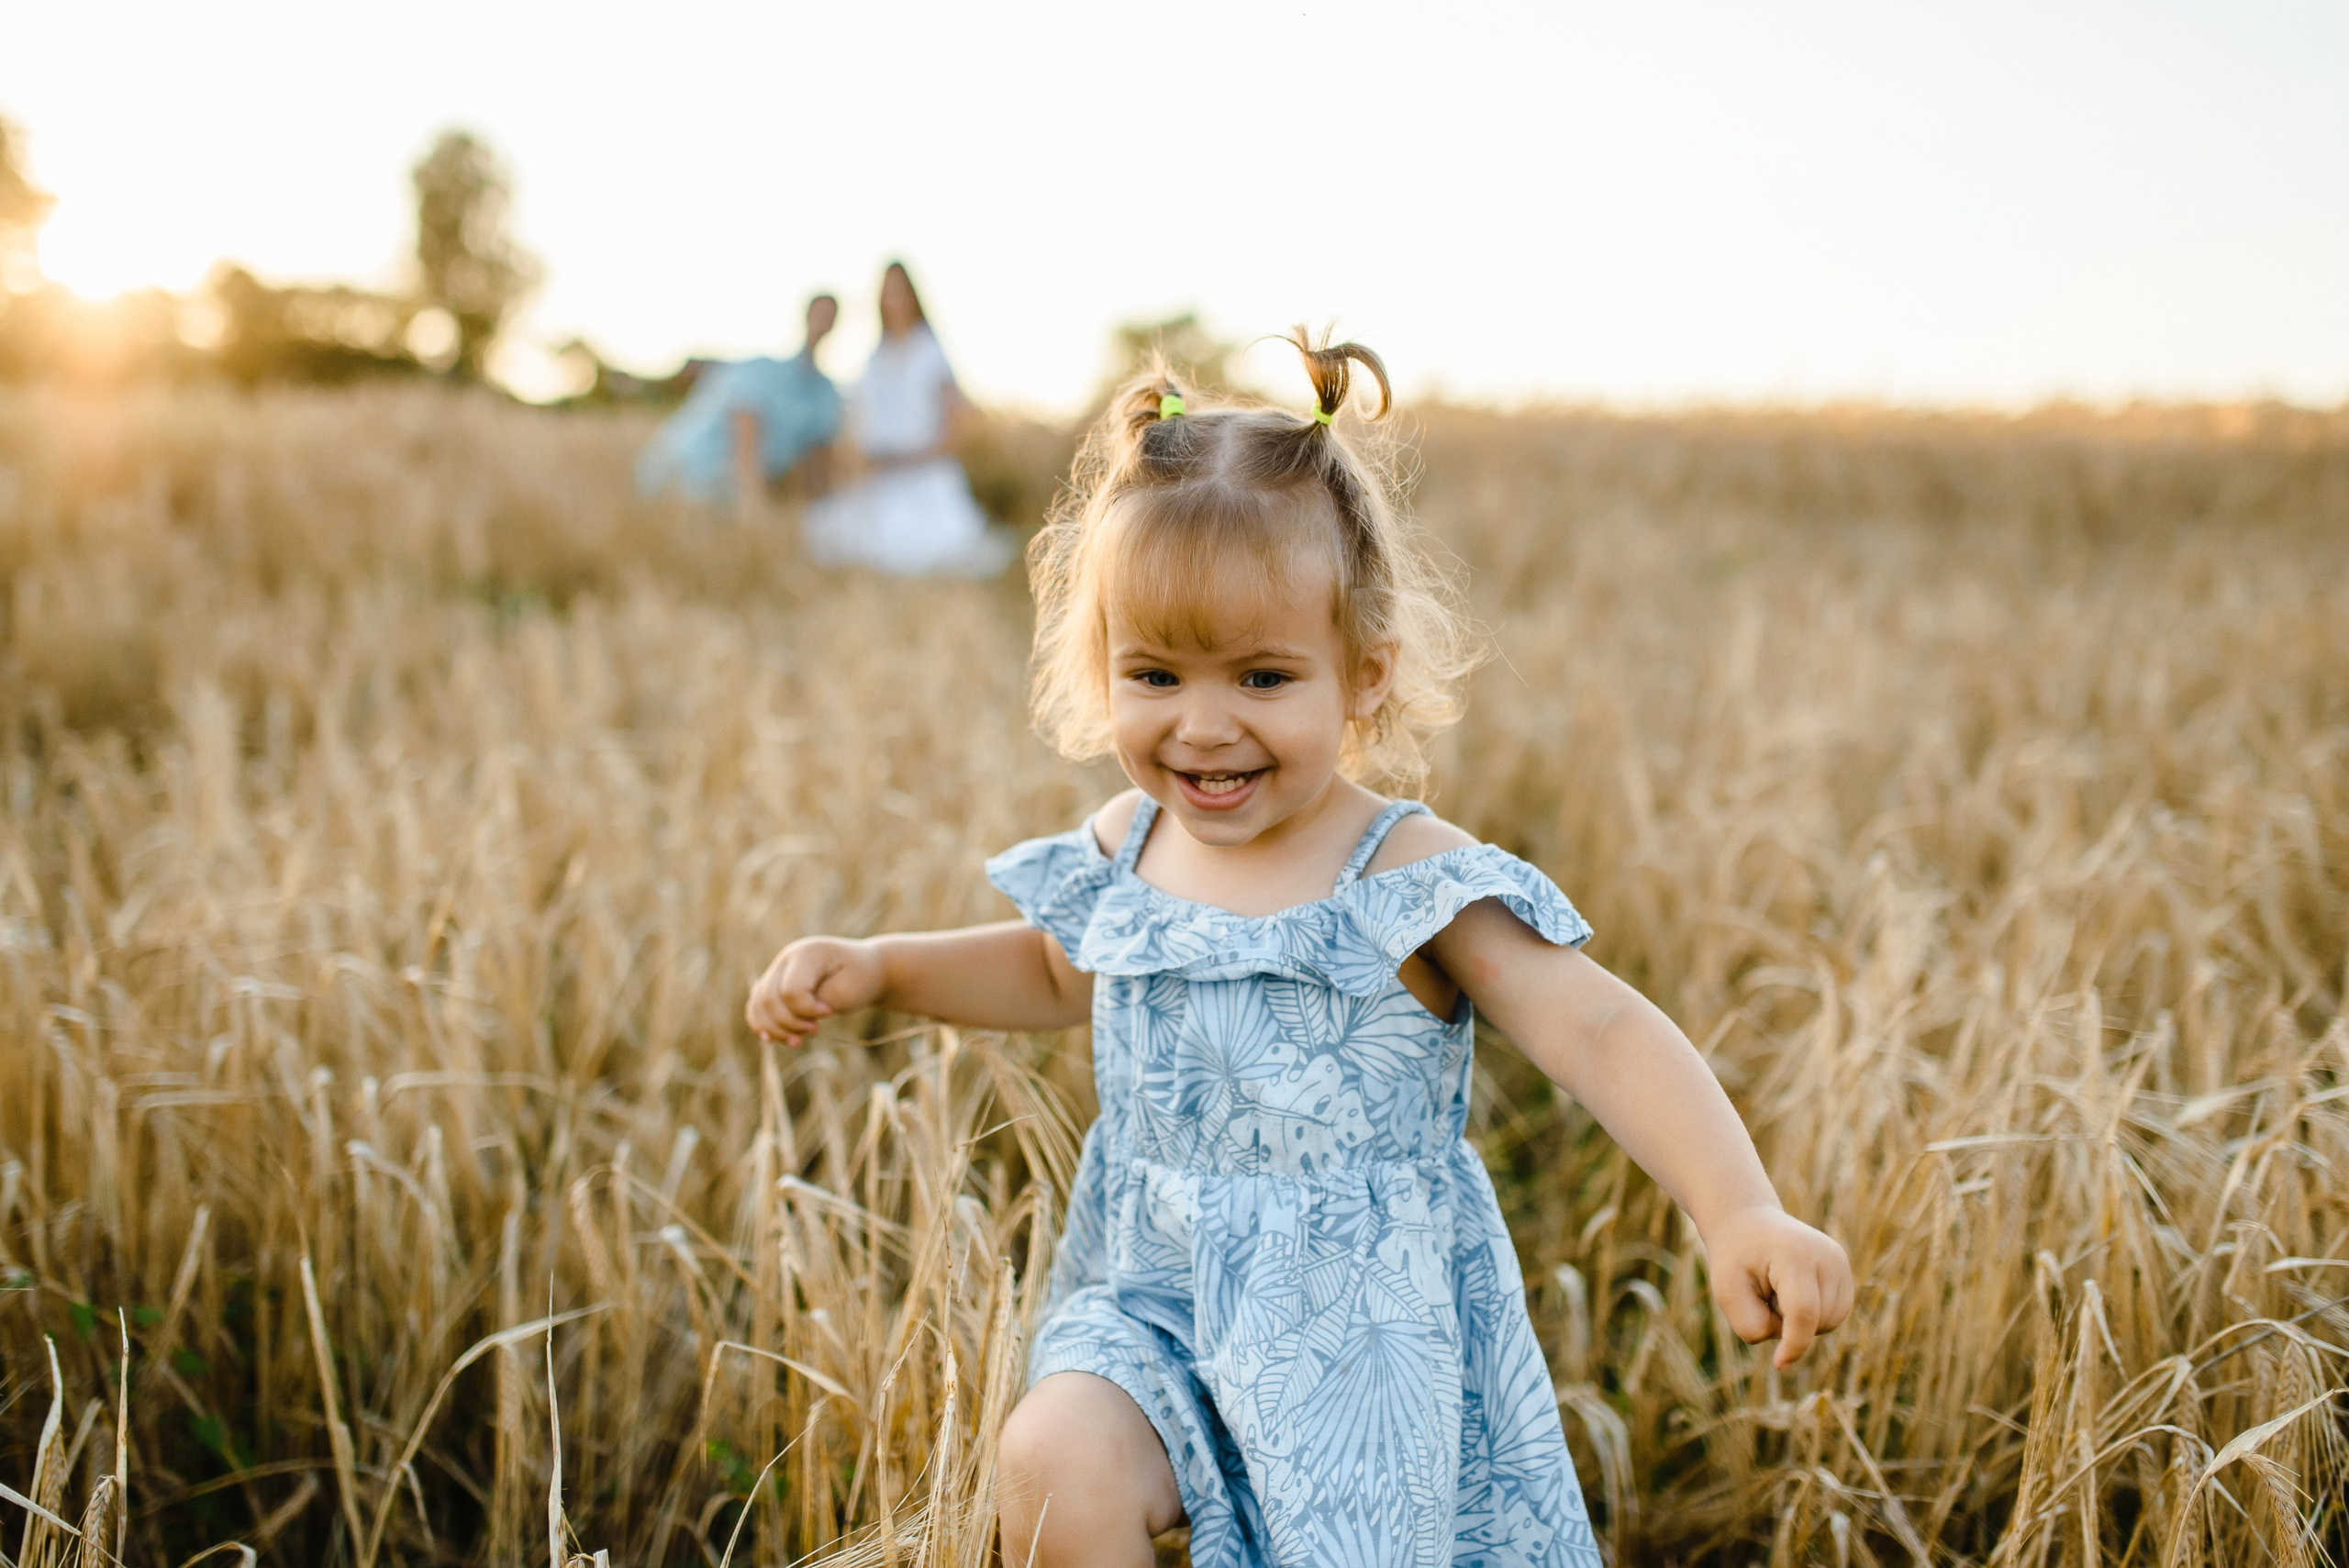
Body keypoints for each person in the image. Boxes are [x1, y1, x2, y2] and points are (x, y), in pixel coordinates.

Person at [745, 333, 1854, 1568]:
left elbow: (1596, 1028)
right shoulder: (1130, 842)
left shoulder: (1402, 874)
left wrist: (1738, 1206)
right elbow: (1061, 970)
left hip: (1359, 1349)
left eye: (1265, 676)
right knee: (1050, 1456)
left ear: (1364, 675)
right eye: (1154, 673)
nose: (1203, 724)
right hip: (1154, 1294)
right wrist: (888, 966)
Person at [800, 261, 1014, 576]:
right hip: (878, 477)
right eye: (887, 293)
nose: (893, 300)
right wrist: (858, 459)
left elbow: (957, 427)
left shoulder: (930, 350)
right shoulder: (875, 356)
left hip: (924, 478)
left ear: (913, 296)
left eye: (900, 292)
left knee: (909, 545)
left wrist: (908, 459)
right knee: (824, 531)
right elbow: (857, 421)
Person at [635, 294, 842, 508]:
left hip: (723, 491)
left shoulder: (826, 393)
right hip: (683, 477)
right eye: (819, 314)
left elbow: (819, 466)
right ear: (806, 315)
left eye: (830, 316)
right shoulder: (762, 371)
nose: (823, 322)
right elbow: (745, 440)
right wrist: (753, 511)